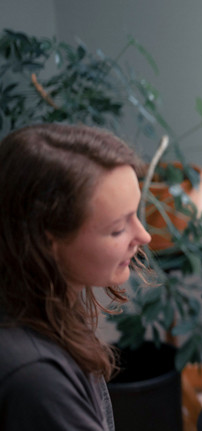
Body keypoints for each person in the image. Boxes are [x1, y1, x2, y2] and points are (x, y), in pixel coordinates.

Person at [0, 124, 151, 430]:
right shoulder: (37, 379)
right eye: (117, 229)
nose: (144, 236)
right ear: (48, 241)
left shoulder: (45, 304)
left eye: (136, 214)